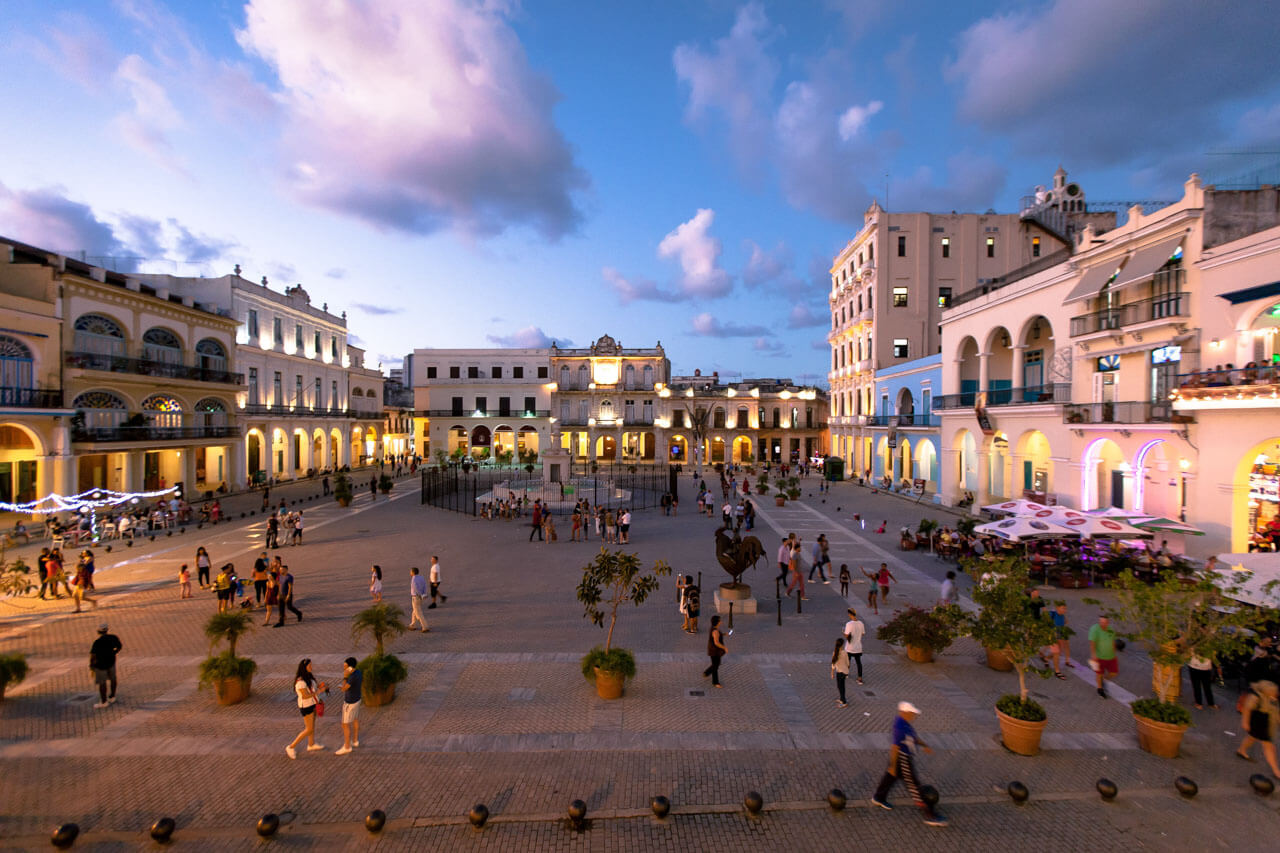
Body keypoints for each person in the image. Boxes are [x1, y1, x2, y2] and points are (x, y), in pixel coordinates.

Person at [871, 701, 948, 826]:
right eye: (912, 713)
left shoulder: (905, 723)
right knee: (914, 786)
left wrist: (924, 745)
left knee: (890, 777)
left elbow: (913, 738)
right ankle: (929, 814)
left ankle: (878, 797)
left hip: (903, 758)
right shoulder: (900, 727)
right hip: (903, 758)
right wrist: (893, 766)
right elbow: (895, 747)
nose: (914, 716)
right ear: (904, 712)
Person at [285, 659, 327, 759]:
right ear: (304, 668)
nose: (311, 667)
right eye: (309, 666)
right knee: (309, 729)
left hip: (313, 704)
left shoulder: (309, 677)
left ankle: (311, 744)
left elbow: (312, 690)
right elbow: (305, 696)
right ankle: (291, 747)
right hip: (306, 706)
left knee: (312, 726)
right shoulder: (300, 682)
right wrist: (319, 692)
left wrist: (319, 688)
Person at [1237, 680, 1280, 776]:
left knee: (1252, 738)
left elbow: (1275, 712)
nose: (1276, 694)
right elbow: (1247, 709)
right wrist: (1245, 722)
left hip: (1266, 722)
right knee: (1267, 745)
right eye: (1273, 692)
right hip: (1258, 720)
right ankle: (1276, 770)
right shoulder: (1256, 697)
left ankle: (1241, 750)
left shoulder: (1273, 698)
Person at [89, 623, 123, 708]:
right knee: (113, 679)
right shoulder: (113, 637)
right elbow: (119, 647)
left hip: (100, 665)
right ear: (107, 630)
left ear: (98, 632)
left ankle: (104, 702)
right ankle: (112, 696)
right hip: (111, 662)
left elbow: (93, 655)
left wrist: (91, 665)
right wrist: (114, 653)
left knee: (102, 683)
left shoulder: (97, 642)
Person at [336, 657, 362, 755]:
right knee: (355, 719)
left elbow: (344, 688)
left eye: (345, 666)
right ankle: (355, 740)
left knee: (345, 724)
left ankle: (347, 746)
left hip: (350, 702)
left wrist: (345, 677)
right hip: (357, 699)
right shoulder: (358, 672)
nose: (344, 668)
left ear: (350, 667)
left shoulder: (351, 677)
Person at [1088, 615, 1119, 698]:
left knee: (1114, 673)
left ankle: (1104, 679)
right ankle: (1100, 689)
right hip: (1099, 657)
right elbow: (1092, 643)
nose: (1102, 624)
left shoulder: (1111, 630)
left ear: (1108, 623)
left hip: (1111, 656)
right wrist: (1093, 655)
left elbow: (1113, 641)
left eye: (1104, 622)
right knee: (1099, 673)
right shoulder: (1095, 629)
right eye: (1101, 622)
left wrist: (1114, 652)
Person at [843, 608, 866, 685]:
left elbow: (846, 635)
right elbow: (863, 633)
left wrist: (844, 633)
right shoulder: (861, 623)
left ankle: (846, 674)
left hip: (850, 647)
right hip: (858, 647)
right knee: (858, 663)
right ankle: (860, 678)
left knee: (847, 661)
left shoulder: (849, 624)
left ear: (850, 614)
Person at [703, 614, 727, 687]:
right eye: (720, 620)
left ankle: (707, 673)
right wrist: (724, 648)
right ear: (717, 622)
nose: (721, 622)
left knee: (715, 664)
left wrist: (723, 634)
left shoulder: (714, 628)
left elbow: (716, 636)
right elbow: (716, 642)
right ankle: (715, 682)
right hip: (714, 651)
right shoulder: (715, 631)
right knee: (715, 666)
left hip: (713, 650)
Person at [409, 566, 429, 632]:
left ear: (413, 572)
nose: (410, 572)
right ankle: (412, 625)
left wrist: (420, 594)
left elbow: (416, 589)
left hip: (416, 597)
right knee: (414, 611)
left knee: (418, 613)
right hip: (420, 597)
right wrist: (424, 594)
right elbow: (425, 586)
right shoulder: (421, 577)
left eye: (410, 571)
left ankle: (425, 627)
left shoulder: (413, 579)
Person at [831, 638, 850, 707]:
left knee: (840, 687)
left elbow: (833, 664)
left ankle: (844, 702)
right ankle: (842, 699)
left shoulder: (835, 653)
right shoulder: (844, 653)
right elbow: (848, 663)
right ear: (842, 645)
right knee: (841, 686)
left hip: (840, 672)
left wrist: (832, 673)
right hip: (844, 672)